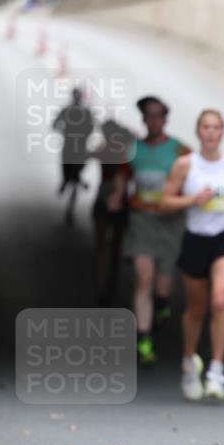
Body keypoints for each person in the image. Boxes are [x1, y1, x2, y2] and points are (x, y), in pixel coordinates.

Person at [161, 109, 224, 400]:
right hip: (196, 240)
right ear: (198, 132)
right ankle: (190, 363)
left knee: (220, 300)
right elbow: (164, 202)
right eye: (206, 127)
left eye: (216, 127)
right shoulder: (185, 165)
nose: (211, 132)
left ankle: (216, 370)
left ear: (222, 131)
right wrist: (192, 199)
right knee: (196, 309)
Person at [112, 96, 190, 364]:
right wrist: (116, 197)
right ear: (143, 119)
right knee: (143, 278)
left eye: (159, 115)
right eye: (149, 115)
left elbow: (194, 178)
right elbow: (123, 177)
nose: (154, 120)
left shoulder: (180, 150)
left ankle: (162, 305)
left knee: (163, 285)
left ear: (165, 119)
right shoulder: (132, 150)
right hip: (141, 220)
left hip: (170, 221)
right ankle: (143, 339)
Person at [90, 118, 135, 306]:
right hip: (123, 202)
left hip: (103, 197)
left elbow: (85, 156)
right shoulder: (128, 154)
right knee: (116, 247)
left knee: (101, 246)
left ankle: (102, 284)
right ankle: (110, 283)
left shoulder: (104, 148)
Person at [52, 87, 94, 226]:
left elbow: (91, 128)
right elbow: (55, 125)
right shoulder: (69, 110)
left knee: (73, 178)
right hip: (72, 148)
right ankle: (73, 181)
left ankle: (70, 208)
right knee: (69, 175)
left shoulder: (81, 111)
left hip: (78, 149)